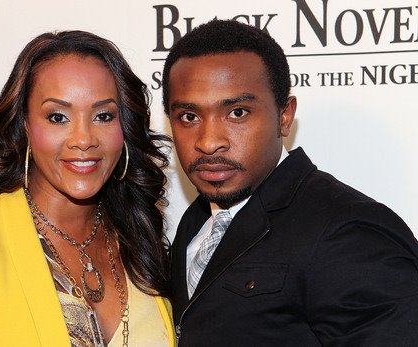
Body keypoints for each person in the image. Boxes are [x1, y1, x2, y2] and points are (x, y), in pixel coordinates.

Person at [0, 30, 175, 346]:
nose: (83, 139)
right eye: (58, 117)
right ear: (25, 125)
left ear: (123, 128)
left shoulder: (141, 242)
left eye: (103, 115)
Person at [162, 19, 418, 346]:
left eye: (237, 112)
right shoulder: (196, 221)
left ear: (284, 115)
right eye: (189, 117)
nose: (209, 142)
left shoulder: (349, 231)